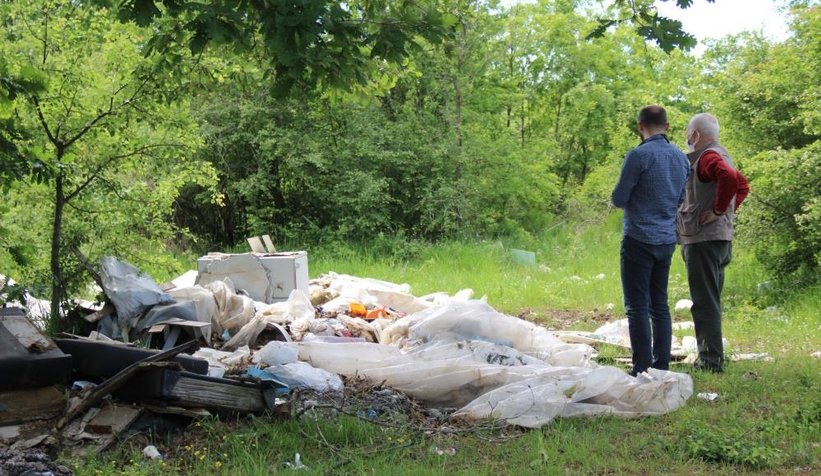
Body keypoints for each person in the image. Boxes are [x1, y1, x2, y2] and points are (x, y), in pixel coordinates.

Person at [612, 105, 690, 376]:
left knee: (637, 306)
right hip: (666, 239)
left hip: (638, 238)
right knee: (660, 304)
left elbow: (619, 198)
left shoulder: (638, 156)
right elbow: (681, 199)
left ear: (639, 126)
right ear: (667, 126)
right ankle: (662, 366)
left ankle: (641, 367)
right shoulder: (682, 158)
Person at [677, 113, 749, 373]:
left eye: (688, 132)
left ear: (696, 134)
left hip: (704, 240)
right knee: (711, 300)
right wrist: (726, 214)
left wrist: (719, 211)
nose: (686, 137)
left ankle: (710, 362)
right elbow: (742, 186)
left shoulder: (708, 156)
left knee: (705, 302)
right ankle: (713, 357)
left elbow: (730, 179)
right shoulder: (720, 153)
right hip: (719, 239)